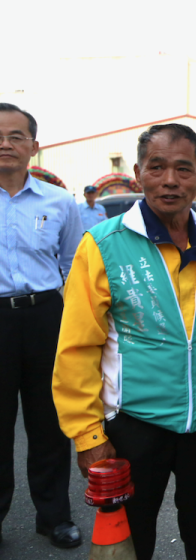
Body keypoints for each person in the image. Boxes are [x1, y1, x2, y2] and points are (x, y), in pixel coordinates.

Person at [52, 123, 196, 560]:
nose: (170, 180)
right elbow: (77, 347)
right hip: (134, 424)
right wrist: (88, 435)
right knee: (131, 535)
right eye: (157, 167)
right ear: (139, 172)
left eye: (183, 169)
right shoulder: (103, 245)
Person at [0, 103, 84, 549]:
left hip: (46, 317)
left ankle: (54, 517)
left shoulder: (59, 202)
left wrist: (69, 317)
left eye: (16, 136)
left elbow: (73, 264)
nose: (5, 143)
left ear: (34, 146)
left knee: (49, 422)